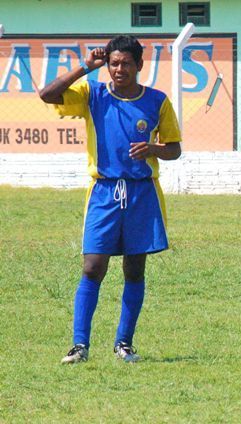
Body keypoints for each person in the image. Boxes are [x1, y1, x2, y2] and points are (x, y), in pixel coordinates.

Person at [39, 35, 182, 364]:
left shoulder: (157, 102)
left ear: (139, 66)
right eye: (113, 63)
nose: (119, 69)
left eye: (126, 63)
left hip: (141, 193)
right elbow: (47, 94)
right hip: (103, 192)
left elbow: (174, 149)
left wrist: (154, 149)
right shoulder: (93, 94)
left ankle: (124, 343)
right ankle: (79, 345)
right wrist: (84, 68)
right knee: (93, 266)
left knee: (134, 269)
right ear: (107, 65)